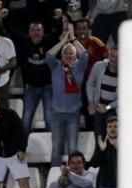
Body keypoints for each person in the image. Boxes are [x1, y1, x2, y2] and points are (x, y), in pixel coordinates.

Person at [45, 24, 87, 165]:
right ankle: (55, 178)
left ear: (75, 56)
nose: (69, 56)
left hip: (73, 114)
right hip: (56, 114)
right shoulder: (56, 66)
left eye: (71, 53)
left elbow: (85, 54)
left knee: (72, 149)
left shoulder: (79, 67)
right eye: (66, 53)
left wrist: (73, 38)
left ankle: (73, 179)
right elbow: (49, 55)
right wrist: (63, 41)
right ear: (62, 56)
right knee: (56, 149)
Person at [19, 21, 54, 135]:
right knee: (26, 120)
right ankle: (22, 149)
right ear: (29, 32)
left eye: (38, 30)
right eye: (33, 30)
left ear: (43, 32)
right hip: (31, 87)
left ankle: (52, 149)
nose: (36, 33)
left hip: (48, 87)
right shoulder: (24, 44)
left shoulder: (50, 43)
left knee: (50, 119)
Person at [85, 40, 118, 138]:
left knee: (113, 140)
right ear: (109, 55)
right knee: (99, 138)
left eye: (118, 57)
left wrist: (107, 108)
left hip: (114, 109)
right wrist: (91, 102)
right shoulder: (98, 66)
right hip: (98, 106)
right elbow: (90, 83)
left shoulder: (126, 72)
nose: (115, 60)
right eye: (113, 56)